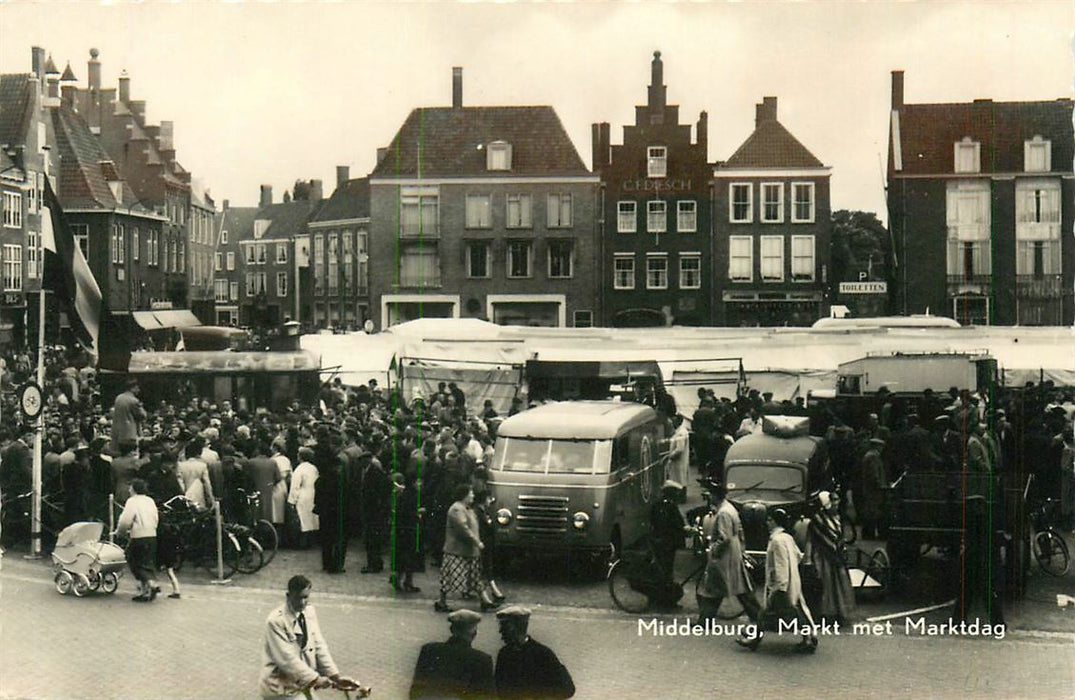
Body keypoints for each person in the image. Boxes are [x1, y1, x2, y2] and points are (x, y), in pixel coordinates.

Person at [259, 575, 367, 699]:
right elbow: (287, 659)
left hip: (301, 683)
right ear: (288, 596)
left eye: (305, 597)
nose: (302, 602)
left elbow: (318, 646)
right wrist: (315, 679)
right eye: (297, 598)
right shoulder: (276, 621)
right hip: (281, 688)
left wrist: (335, 677)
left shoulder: (309, 612)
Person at [738, 508, 817, 653]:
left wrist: (780, 586)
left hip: (781, 585)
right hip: (792, 582)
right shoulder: (787, 537)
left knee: (771, 613)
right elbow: (798, 556)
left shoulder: (776, 541)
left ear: (774, 522)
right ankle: (808, 637)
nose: (767, 522)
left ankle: (754, 639)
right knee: (791, 612)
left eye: (769, 520)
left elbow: (781, 565)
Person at [697, 481, 761, 627]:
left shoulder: (723, 513)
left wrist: (714, 550)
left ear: (715, 496)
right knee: (739, 589)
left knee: (712, 589)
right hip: (733, 554)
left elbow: (724, 538)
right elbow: (739, 533)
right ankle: (757, 616)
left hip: (723, 558)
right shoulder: (730, 508)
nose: (708, 497)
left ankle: (705, 621)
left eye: (710, 494)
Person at [436, 485, 498, 613]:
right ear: (464, 495)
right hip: (457, 550)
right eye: (470, 494)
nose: (473, 496)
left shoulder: (467, 508)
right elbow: (463, 529)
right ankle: (442, 601)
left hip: (469, 550)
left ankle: (485, 600)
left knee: (476, 577)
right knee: (450, 577)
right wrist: (477, 542)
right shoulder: (457, 509)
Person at [409, 608, 495, 700]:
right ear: (474, 634)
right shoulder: (482, 659)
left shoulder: (429, 649)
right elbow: (484, 695)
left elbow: (416, 689)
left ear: (451, 629)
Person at [495, 606, 575, 699]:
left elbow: (567, 689)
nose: (501, 631)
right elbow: (498, 687)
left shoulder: (543, 654)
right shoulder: (504, 654)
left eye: (505, 626)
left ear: (519, 627)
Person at [804, 491, 855, 625]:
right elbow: (810, 540)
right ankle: (825, 614)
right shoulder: (816, 520)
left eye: (837, 500)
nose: (836, 503)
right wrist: (808, 559)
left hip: (835, 556)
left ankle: (838, 613)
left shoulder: (837, 518)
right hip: (822, 557)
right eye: (834, 500)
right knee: (826, 585)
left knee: (837, 585)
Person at [114, 478, 160, 602]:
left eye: (130, 487)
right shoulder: (150, 501)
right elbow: (156, 518)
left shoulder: (132, 501)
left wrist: (120, 532)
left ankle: (151, 584)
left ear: (134, 489)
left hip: (138, 536)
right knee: (147, 562)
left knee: (134, 562)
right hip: (151, 534)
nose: (129, 490)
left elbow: (125, 520)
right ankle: (146, 591)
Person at [648, 480, 688, 608]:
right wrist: (684, 530)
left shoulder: (658, 504)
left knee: (665, 571)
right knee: (665, 572)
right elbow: (673, 524)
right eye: (676, 492)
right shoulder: (668, 506)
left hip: (661, 542)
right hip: (666, 544)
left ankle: (663, 599)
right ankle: (663, 600)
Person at [390, 471, 424, 593]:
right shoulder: (412, 495)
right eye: (418, 481)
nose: (420, 484)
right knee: (409, 557)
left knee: (405, 558)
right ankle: (405, 581)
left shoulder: (405, 494)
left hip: (403, 530)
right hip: (409, 530)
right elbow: (408, 513)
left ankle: (403, 580)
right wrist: (418, 512)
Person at [288, 447, 320, 549]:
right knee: (311, 519)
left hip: (303, 495)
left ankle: (302, 543)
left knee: (302, 519)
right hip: (312, 494)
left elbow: (295, 486)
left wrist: (292, 500)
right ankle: (310, 541)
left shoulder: (299, 469)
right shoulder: (313, 468)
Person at [112, 379, 147, 453]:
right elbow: (143, 415)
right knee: (130, 455)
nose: (139, 390)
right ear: (132, 388)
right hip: (129, 434)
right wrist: (141, 407)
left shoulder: (118, 398)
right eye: (137, 388)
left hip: (118, 432)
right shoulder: (133, 400)